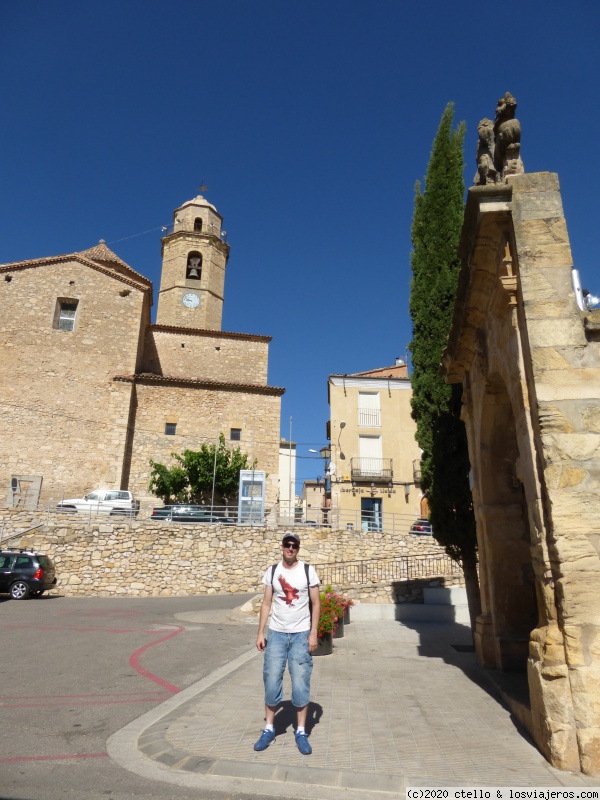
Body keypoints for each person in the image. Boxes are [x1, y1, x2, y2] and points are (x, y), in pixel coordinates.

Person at [253, 532, 320, 755]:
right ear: (281, 547)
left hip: (301, 635)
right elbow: (265, 603)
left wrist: (313, 634)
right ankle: (269, 728)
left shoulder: (308, 571)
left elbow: (316, 604)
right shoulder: (273, 571)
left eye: (295, 545)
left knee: (301, 683)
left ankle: (301, 732)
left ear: (298, 549)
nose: (291, 548)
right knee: (271, 680)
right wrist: (260, 632)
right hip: (277, 635)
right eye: (287, 545)